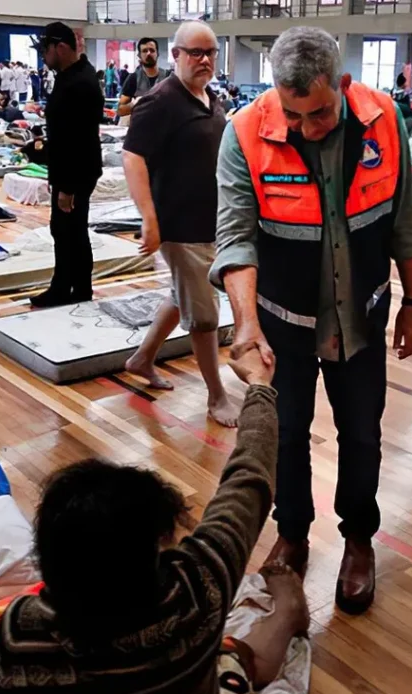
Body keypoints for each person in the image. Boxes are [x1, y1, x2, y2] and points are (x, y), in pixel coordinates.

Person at [211, 26, 412, 615]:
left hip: (362, 318)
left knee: (362, 434)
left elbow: (404, 214)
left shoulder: (384, 118)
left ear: (344, 84)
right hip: (284, 322)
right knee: (286, 434)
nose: (306, 128)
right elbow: (234, 237)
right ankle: (293, 533)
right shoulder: (245, 134)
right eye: (294, 114)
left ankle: (359, 538)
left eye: (320, 113)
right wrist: (246, 324)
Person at [0, 342, 312, 694]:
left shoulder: (18, 636)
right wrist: (258, 383)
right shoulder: (196, 592)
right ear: (153, 554)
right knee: (235, 656)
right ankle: (286, 612)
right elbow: (250, 478)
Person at [121, 21, 239, 428]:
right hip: (181, 224)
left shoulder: (210, 97)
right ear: (176, 56)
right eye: (195, 53)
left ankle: (142, 358)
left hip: (211, 221)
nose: (205, 60)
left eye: (211, 52)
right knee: (204, 314)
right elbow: (132, 157)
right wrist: (150, 218)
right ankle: (216, 397)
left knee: (181, 294)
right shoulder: (160, 101)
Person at [30, 22, 103, 308]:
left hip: (76, 172)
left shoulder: (80, 83)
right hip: (69, 170)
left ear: (60, 47)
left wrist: (68, 188)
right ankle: (73, 287)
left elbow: (79, 140)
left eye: (45, 50)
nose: (43, 57)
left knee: (69, 230)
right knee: (67, 230)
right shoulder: (70, 75)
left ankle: (70, 288)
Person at [118, 37, 170, 121]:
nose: (149, 53)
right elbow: (120, 110)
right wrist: (136, 105)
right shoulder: (133, 78)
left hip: (165, 128)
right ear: (139, 55)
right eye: (145, 51)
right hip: (140, 128)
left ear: (157, 53)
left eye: (152, 50)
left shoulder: (168, 77)